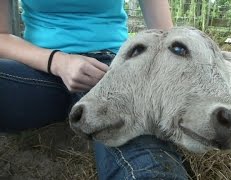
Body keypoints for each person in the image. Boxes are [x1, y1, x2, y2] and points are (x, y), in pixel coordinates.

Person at [0, 0, 188, 179]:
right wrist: (57, 62)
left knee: (145, 157)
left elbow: (164, 35)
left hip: (109, 69)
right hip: (39, 67)